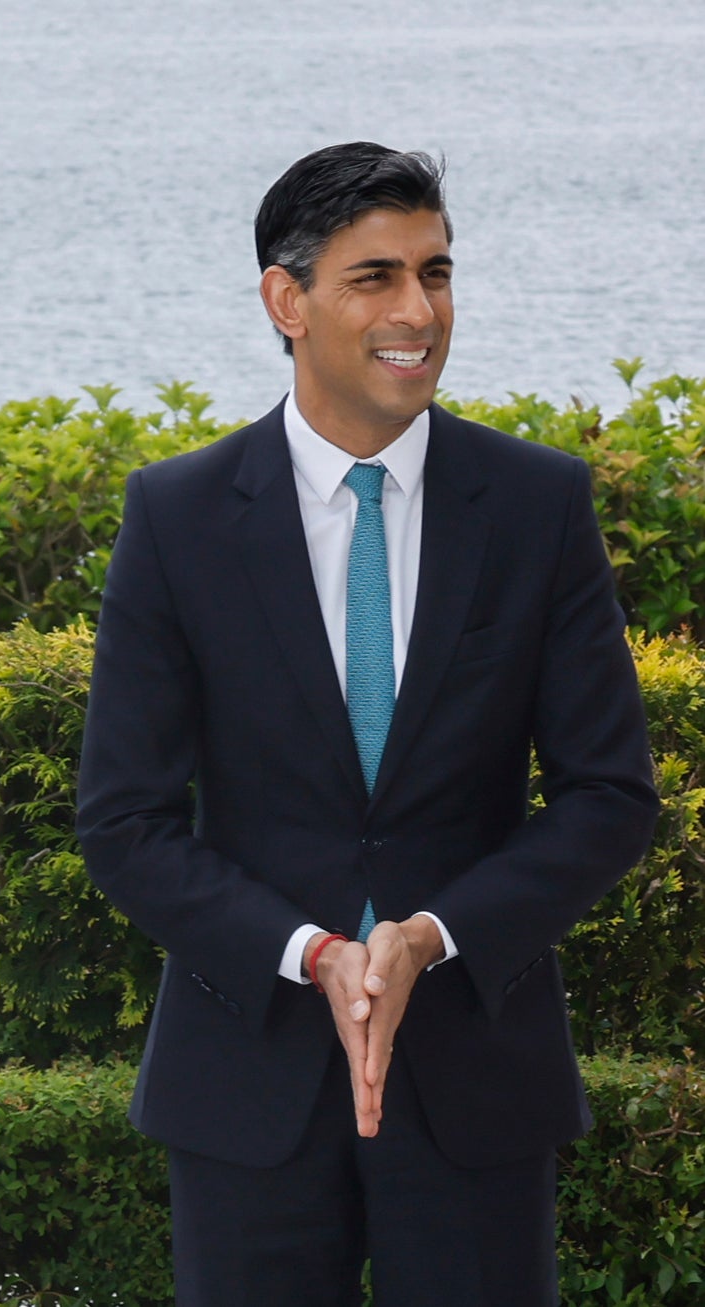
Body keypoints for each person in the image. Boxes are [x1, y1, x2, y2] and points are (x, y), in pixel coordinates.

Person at [76, 141, 659, 1304]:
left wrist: (428, 934)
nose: (417, 311)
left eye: (434, 273)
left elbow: (607, 795)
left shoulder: (536, 504)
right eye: (374, 277)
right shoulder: (178, 514)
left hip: (475, 1080)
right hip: (244, 1082)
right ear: (284, 300)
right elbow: (123, 818)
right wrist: (317, 954)